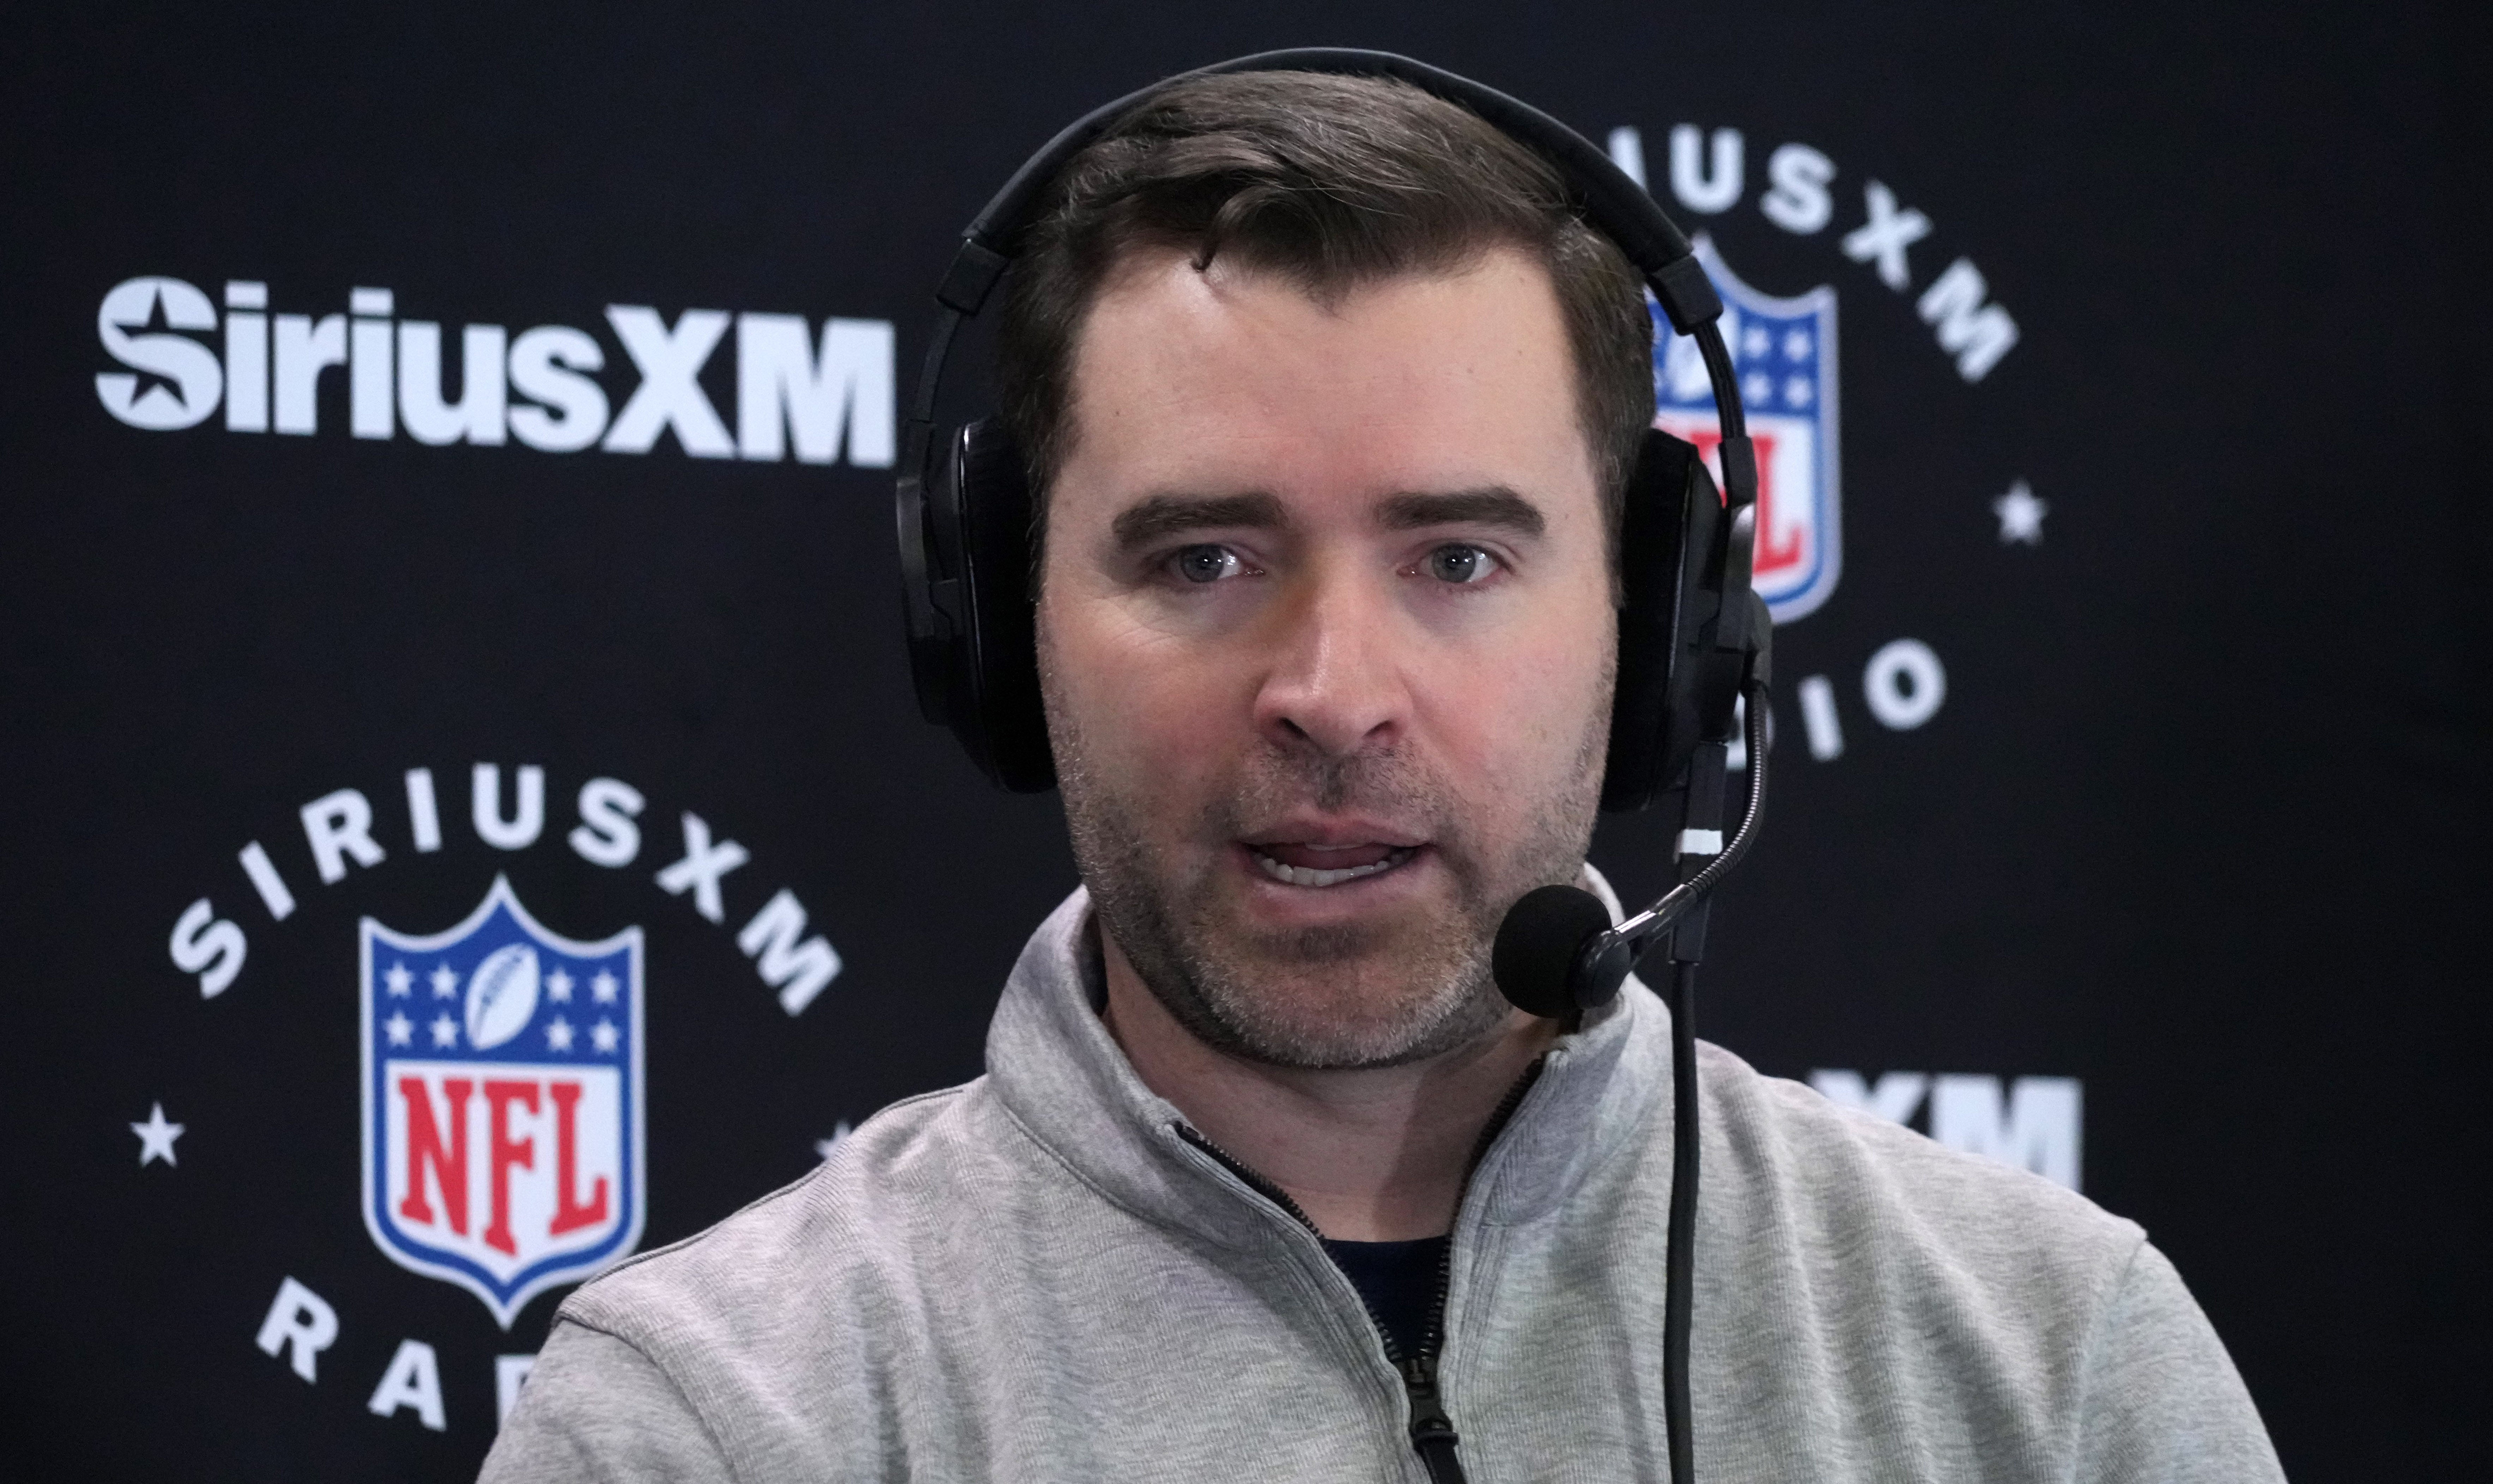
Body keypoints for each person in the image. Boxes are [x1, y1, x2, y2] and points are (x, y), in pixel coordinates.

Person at [480, 67, 2283, 1482]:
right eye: (1202, 558)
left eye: (1458, 559)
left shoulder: (2047, 1361)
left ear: (1656, 620)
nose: (1334, 695)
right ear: (1004, 615)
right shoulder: (723, 1421)